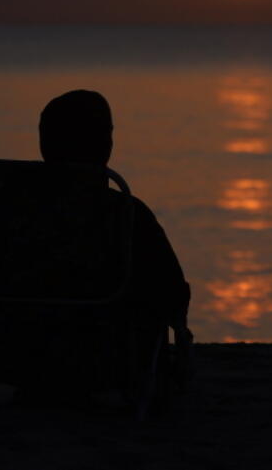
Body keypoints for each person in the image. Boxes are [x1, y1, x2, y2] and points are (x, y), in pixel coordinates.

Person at [38, 89, 192, 348]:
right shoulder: (127, 215)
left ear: (44, 143)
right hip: (106, 354)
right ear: (105, 145)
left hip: (15, 348)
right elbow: (171, 294)